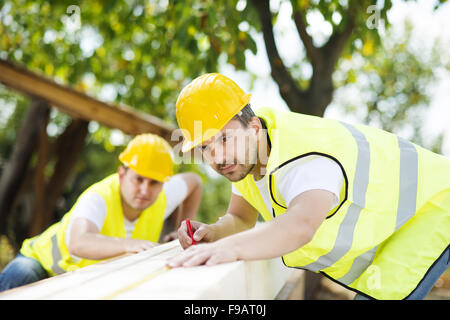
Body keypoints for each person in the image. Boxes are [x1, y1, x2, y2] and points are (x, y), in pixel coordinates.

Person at [167, 73, 450, 300]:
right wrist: (213, 233)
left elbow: (300, 226)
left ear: (252, 127)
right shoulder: (249, 156)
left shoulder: (303, 159)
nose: (218, 156)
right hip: (396, 229)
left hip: (433, 208)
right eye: (205, 147)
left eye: (224, 139)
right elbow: (241, 218)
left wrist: (231, 248)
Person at [0, 133, 202, 292]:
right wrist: (129, 245)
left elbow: (195, 181)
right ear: (122, 174)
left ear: (162, 183)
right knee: (21, 275)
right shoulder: (99, 197)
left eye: (154, 183)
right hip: (41, 263)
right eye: (138, 179)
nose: (145, 190)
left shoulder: (161, 197)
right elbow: (78, 242)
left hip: (81, 281)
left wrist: (182, 228)